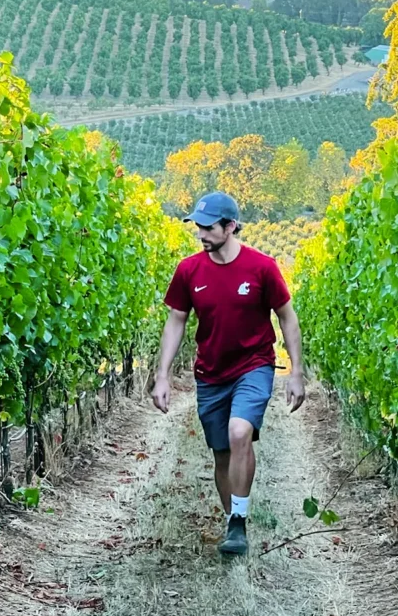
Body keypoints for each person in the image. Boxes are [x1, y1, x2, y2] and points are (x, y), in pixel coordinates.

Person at [151, 191, 306, 556]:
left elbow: (287, 317)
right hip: (210, 373)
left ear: (231, 226)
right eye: (198, 227)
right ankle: (232, 521)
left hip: (254, 365)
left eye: (208, 227)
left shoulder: (262, 267)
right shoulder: (189, 270)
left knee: (240, 433)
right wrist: (162, 375)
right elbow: (176, 321)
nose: (201, 234)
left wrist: (296, 371)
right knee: (221, 452)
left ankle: (238, 520)